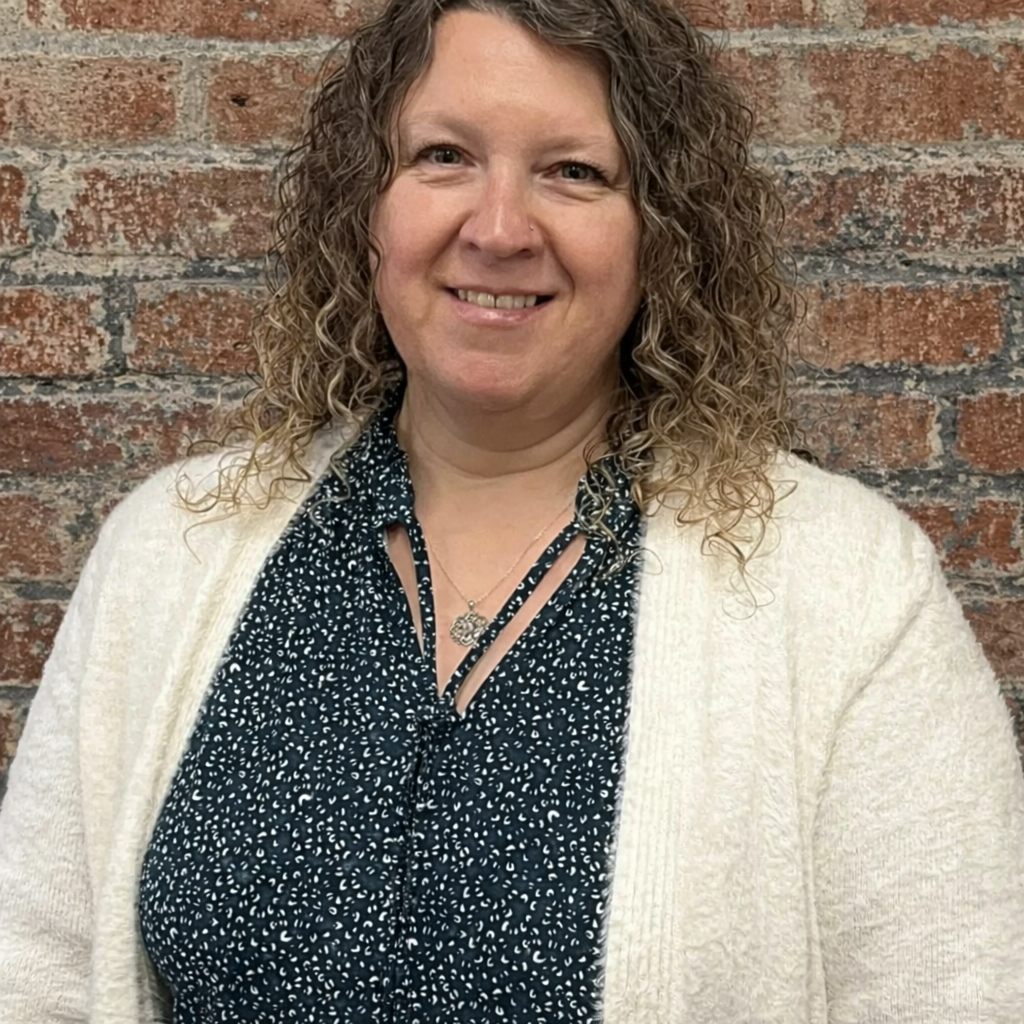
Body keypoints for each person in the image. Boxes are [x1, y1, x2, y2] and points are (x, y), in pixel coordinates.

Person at [1, 0, 1023, 1020]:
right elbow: (31, 972)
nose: (496, 230)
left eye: (573, 171)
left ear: (661, 234)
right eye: (443, 156)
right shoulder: (169, 550)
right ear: (367, 209)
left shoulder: (846, 586)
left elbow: (958, 990)